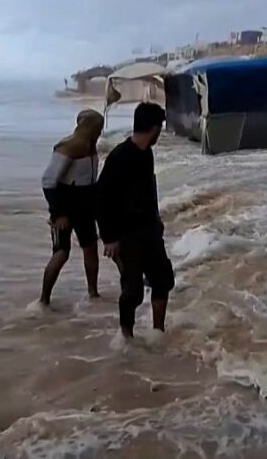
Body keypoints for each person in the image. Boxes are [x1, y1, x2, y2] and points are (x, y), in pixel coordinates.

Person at [97, 102, 174, 339]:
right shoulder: (120, 157)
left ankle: (158, 332)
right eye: (159, 128)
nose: (160, 133)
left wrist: (156, 220)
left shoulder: (146, 154)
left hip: (149, 231)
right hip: (125, 235)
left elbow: (148, 191)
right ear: (153, 128)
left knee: (162, 281)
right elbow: (101, 199)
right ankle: (126, 339)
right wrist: (109, 238)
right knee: (133, 291)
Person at [40, 109, 105, 305]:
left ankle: (93, 293)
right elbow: (48, 181)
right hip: (66, 205)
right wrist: (58, 213)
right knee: (61, 252)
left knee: (90, 248)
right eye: (97, 128)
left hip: (85, 204)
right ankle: (43, 299)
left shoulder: (90, 145)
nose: (100, 131)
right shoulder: (68, 147)